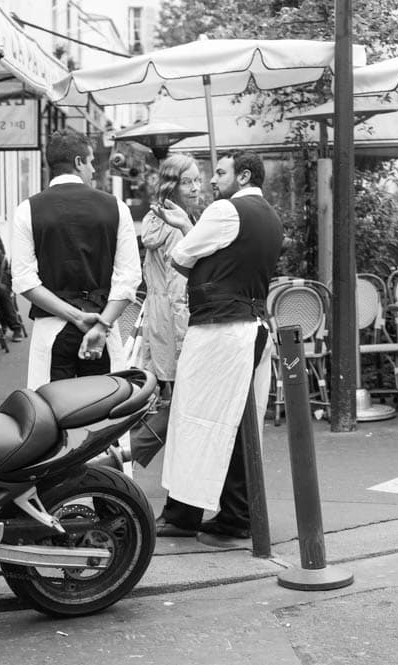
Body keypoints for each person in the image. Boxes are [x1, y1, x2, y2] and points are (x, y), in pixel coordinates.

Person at [149, 150, 283, 540]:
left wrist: (187, 229)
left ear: (242, 176)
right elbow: (227, 253)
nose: (211, 180)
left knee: (195, 419)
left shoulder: (225, 210)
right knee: (240, 426)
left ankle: (182, 514)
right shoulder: (270, 217)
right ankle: (236, 515)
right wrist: (188, 223)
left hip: (219, 330)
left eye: (220, 172)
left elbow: (180, 257)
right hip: (254, 326)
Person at [11, 130, 141, 389]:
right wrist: (102, 324)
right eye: (92, 162)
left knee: (51, 413)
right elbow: (129, 279)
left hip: (52, 328)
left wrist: (75, 316)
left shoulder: (27, 209)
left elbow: (24, 282)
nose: (93, 170)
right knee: (105, 413)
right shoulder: (115, 207)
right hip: (103, 324)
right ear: (79, 162)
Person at [140, 154, 200, 391]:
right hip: (176, 321)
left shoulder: (155, 219)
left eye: (197, 180)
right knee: (182, 397)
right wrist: (185, 340)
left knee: (166, 393)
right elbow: (179, 290)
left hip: (157, 317)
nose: (195, 188)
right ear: (172, 187)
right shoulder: (176, 228)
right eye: (187, 182)